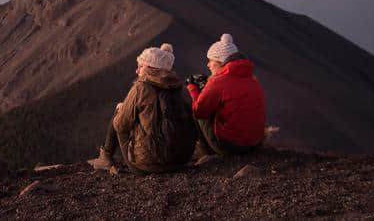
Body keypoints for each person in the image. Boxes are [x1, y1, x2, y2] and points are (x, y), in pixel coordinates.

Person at [88, 43, 197, 174]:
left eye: (140, 66)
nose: (137, 71)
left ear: (151, 69)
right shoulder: (181, 88)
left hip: (145, 166)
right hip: (181, 161)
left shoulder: (141, 88)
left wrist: (124, 113)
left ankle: (105, 157)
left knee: (120, 112)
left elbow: (120, 125)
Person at [186, 33, 265, 156]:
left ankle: (207, 153)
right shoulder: (252, 79)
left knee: (196, 106)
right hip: (254, 143)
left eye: (210, 60)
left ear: (220, 62)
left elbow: (199, 111)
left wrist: (193, 89)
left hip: (230, 147)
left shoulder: (219, 81)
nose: (208, 65)